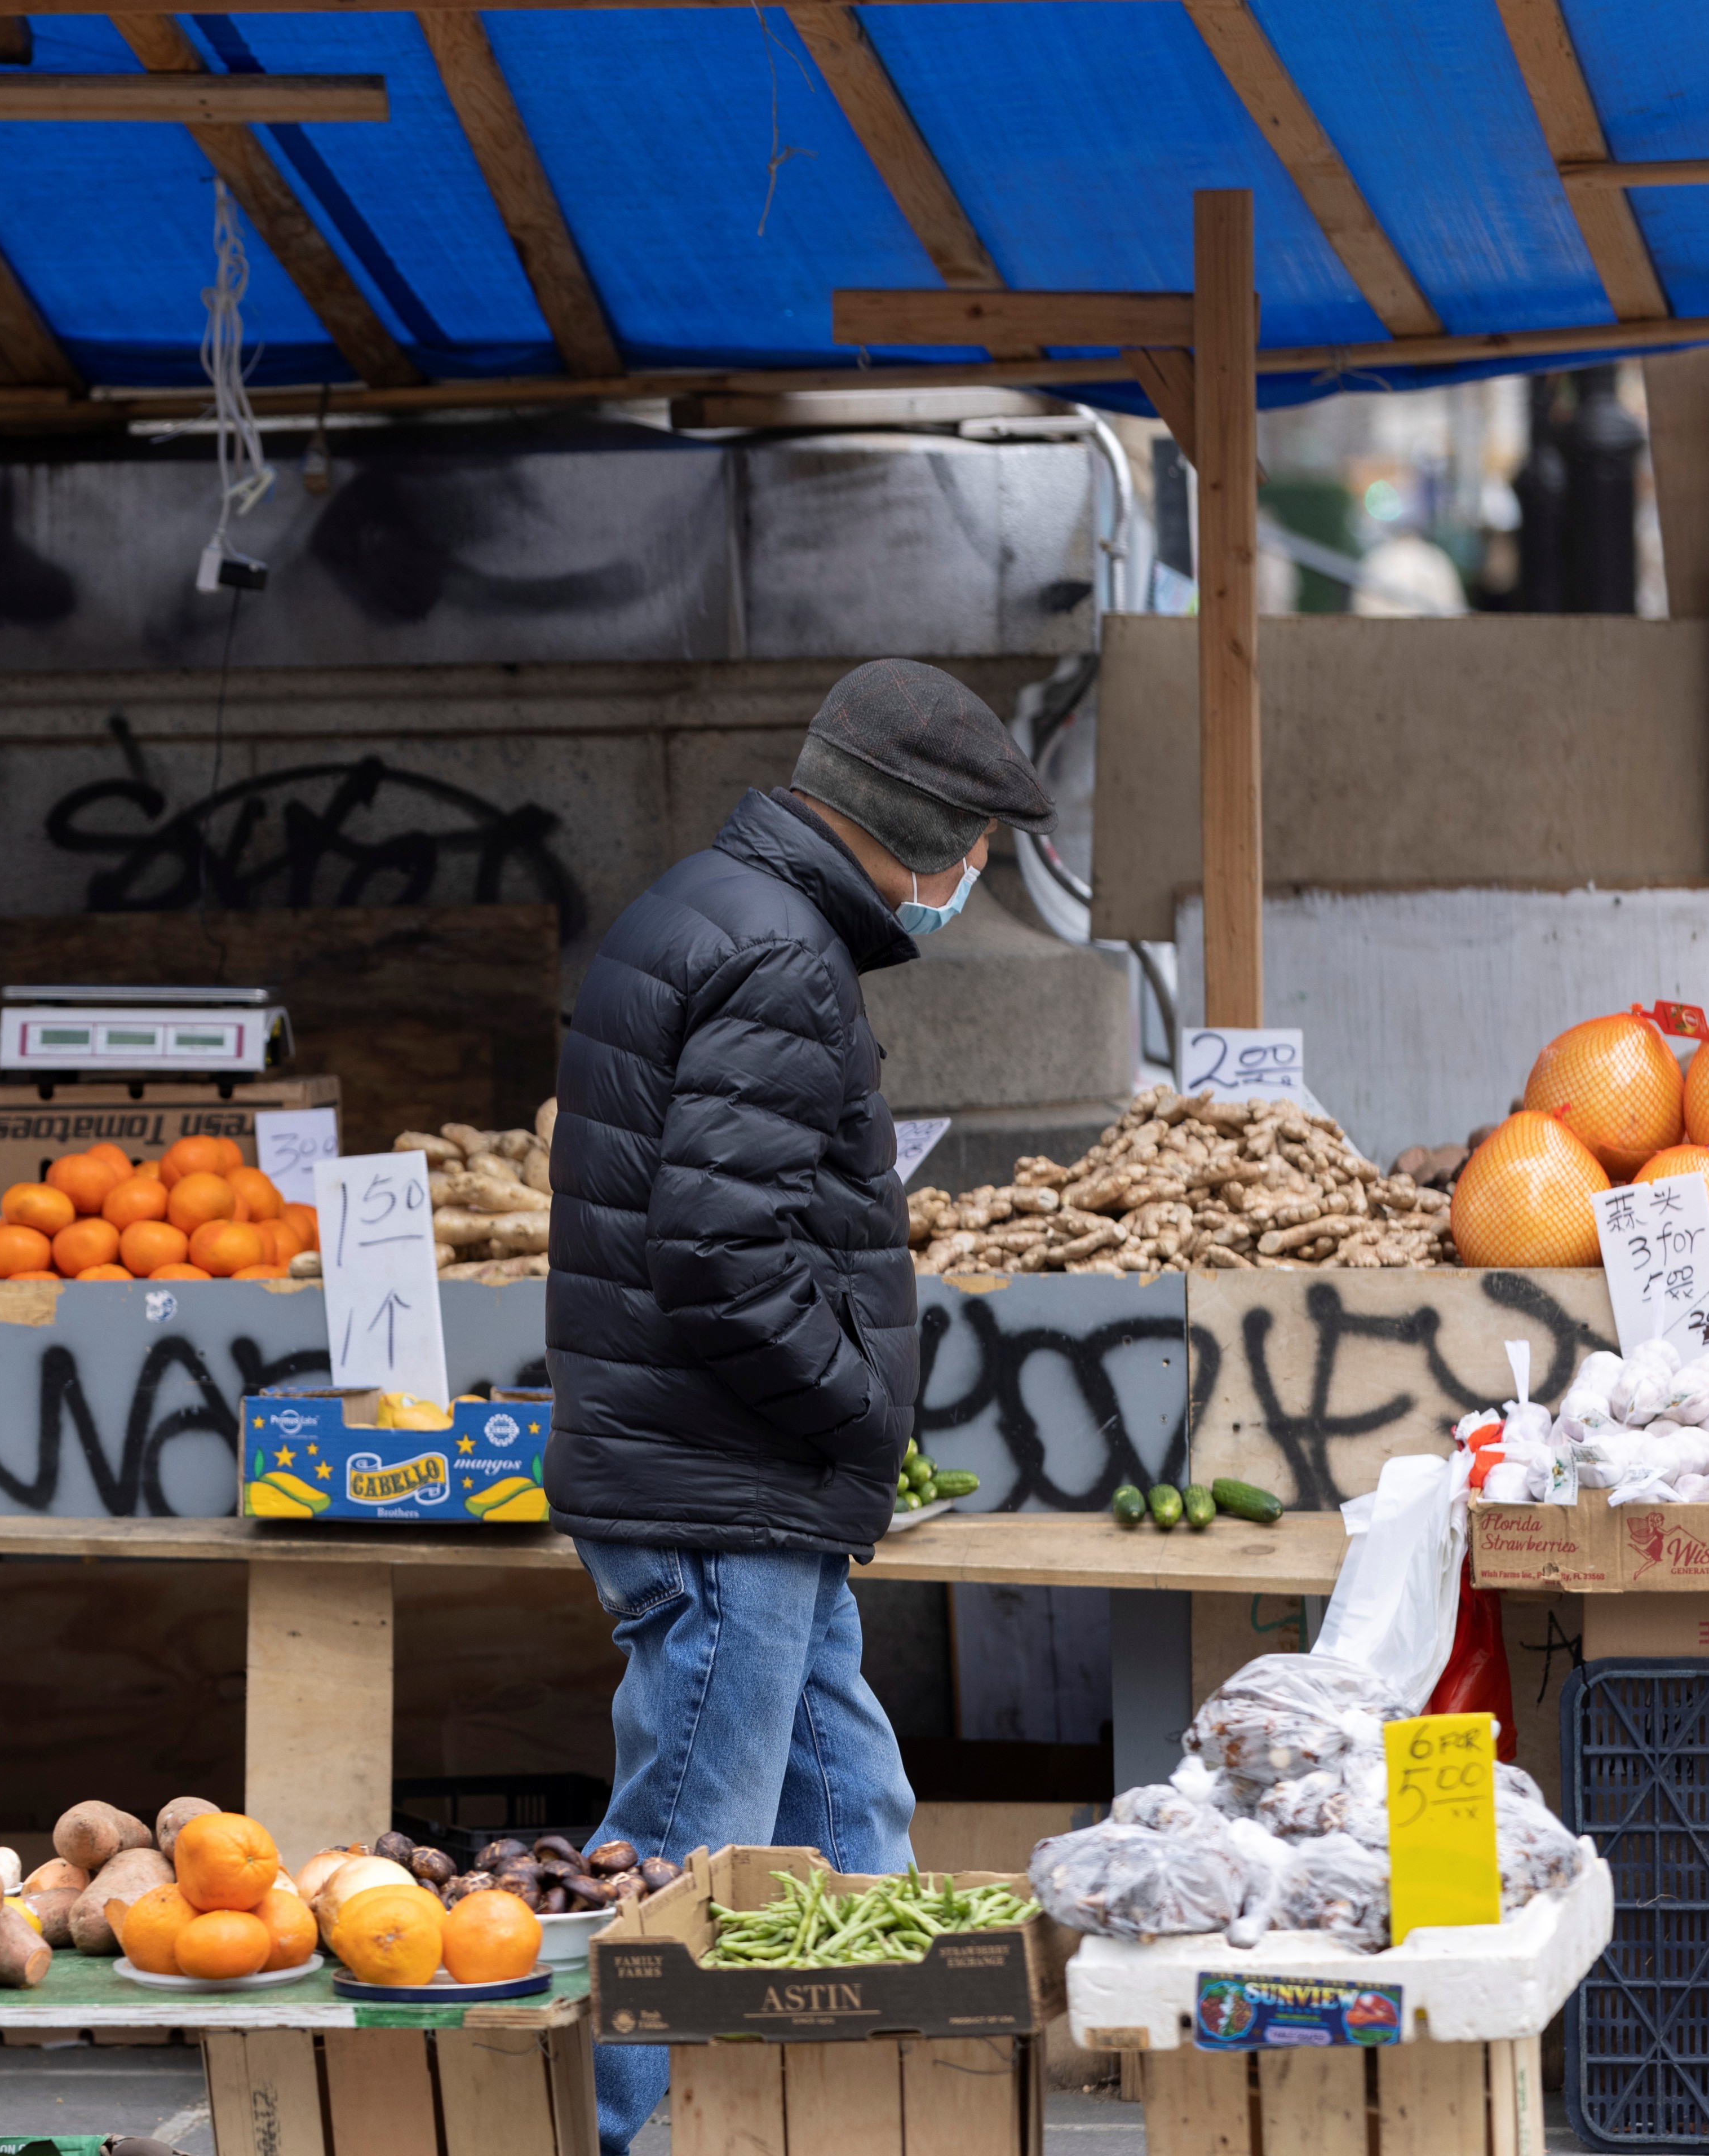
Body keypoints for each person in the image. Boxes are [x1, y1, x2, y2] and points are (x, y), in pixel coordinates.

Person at [543, 660, 1053, 2155]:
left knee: (854, 1818)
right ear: (917, 833)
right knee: (690, 1863)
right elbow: (719, 1247)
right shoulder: (779, 956)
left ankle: (877, 2114)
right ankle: (637, 2136)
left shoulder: (715, 906)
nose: (971, 883)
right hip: (724, 1490)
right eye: (974, 853)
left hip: (739, 1490)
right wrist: (857, 1409)